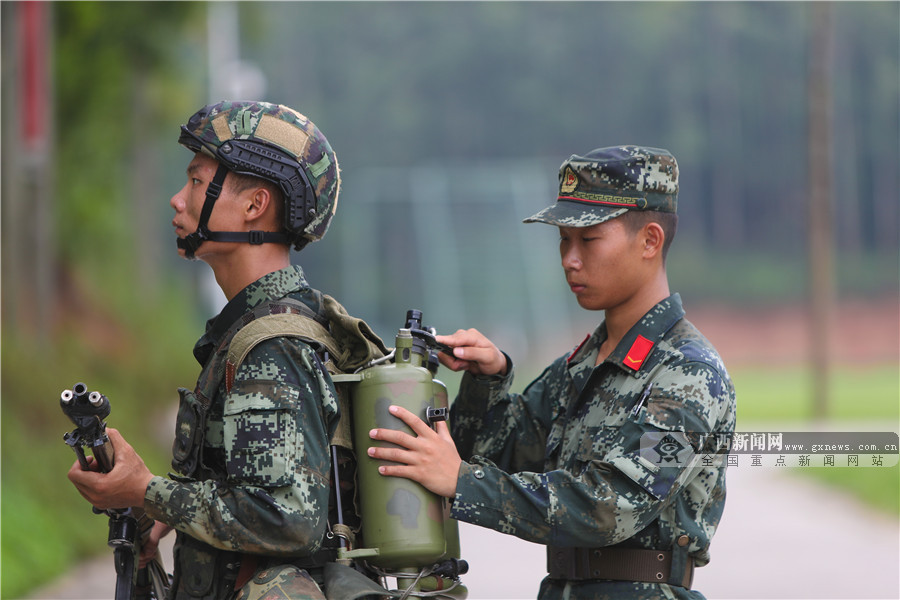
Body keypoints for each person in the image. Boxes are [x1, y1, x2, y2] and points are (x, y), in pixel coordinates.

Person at [368, 146, 737, 599]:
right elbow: (497, 451)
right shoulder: (584, 364)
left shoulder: (689, 375)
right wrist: (490, 376)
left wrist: (462, 482)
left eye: (589, 240)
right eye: (564, 239)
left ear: (650, 241)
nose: (569, 259)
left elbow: (611, 506)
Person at [68, 101, 385, 600]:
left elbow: (286, 520)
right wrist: (161, 513)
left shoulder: (272, 346)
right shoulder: (256, 329)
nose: (177, 200)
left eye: (195, 182)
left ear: (254, 205)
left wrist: (148, 492)